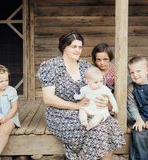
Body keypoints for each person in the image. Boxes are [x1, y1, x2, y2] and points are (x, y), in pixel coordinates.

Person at [37, 31, 125, 160]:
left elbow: (100, 85)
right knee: (97, 130)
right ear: (64, 47)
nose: (78, 50)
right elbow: (48, 99)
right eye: (74, 46)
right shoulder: (51, 66)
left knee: (111, 124)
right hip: (61, 113)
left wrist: (105, 100)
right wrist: (76, 105)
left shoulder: (85, 66)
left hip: (87, 108)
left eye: (80, 47)